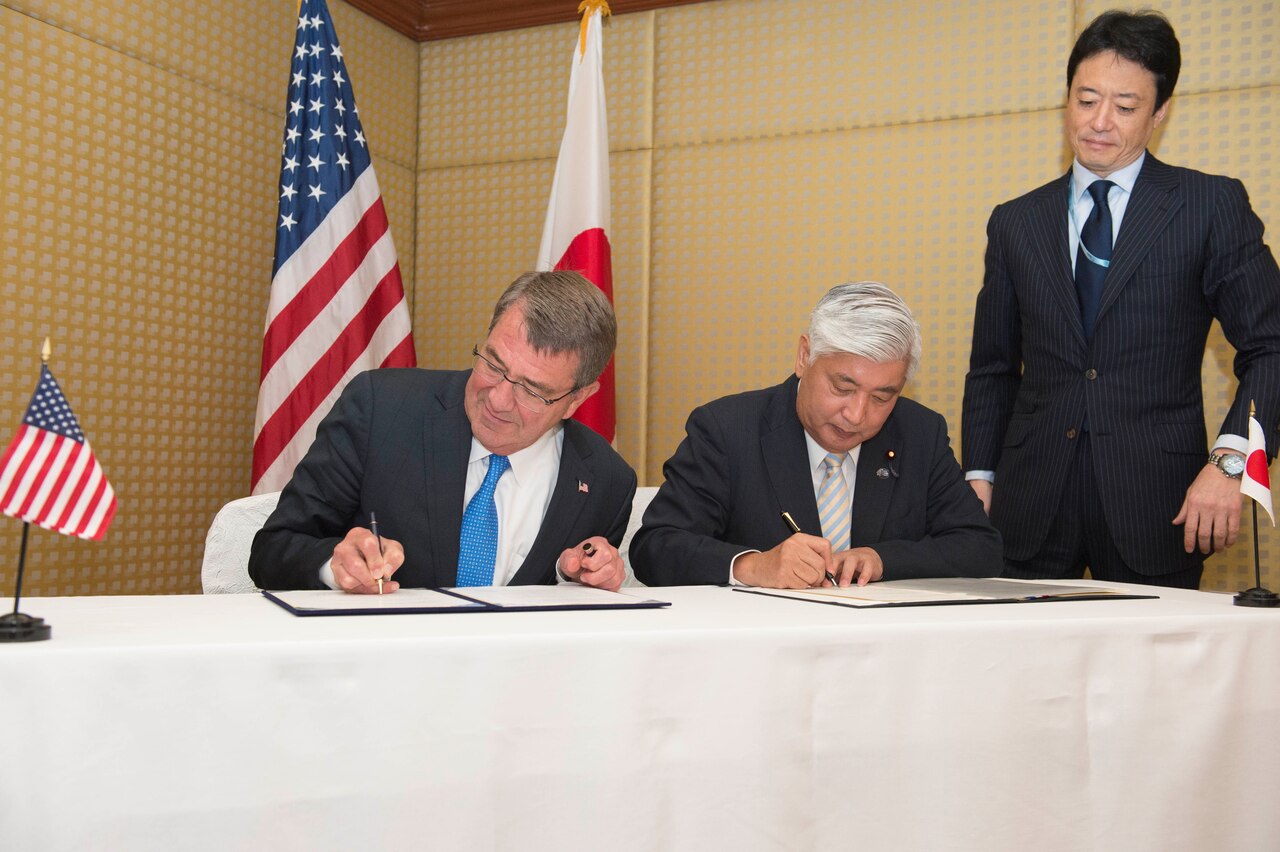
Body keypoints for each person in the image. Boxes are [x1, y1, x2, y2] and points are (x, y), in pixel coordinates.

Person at [962, 10, 1280, 589]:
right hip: (1029, 504)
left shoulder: (1210, 206)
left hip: (1158, 501)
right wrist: (978, 476)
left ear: (1159, 113)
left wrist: (1229, 462)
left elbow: (1272, 347)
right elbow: (992, 367)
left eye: (1125, 107)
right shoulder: (1016, 221)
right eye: (1085, 101)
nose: (1099, 122)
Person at [248, 270, 637, 593]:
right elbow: (273, 551)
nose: (499, 400)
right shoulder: (380, 410)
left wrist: (577, 577)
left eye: (533, 391)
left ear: (577, 399)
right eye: (493, 364)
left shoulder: (606, 482)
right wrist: (335, 567)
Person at [630, 282, 1001, 588]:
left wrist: (881, 559)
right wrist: (751, 566)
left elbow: (980, 548)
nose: (856, 415)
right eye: (842, 388)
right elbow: (655, 549)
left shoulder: (920, 433)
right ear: (804, 356)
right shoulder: (726, 429)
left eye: (881, 397)